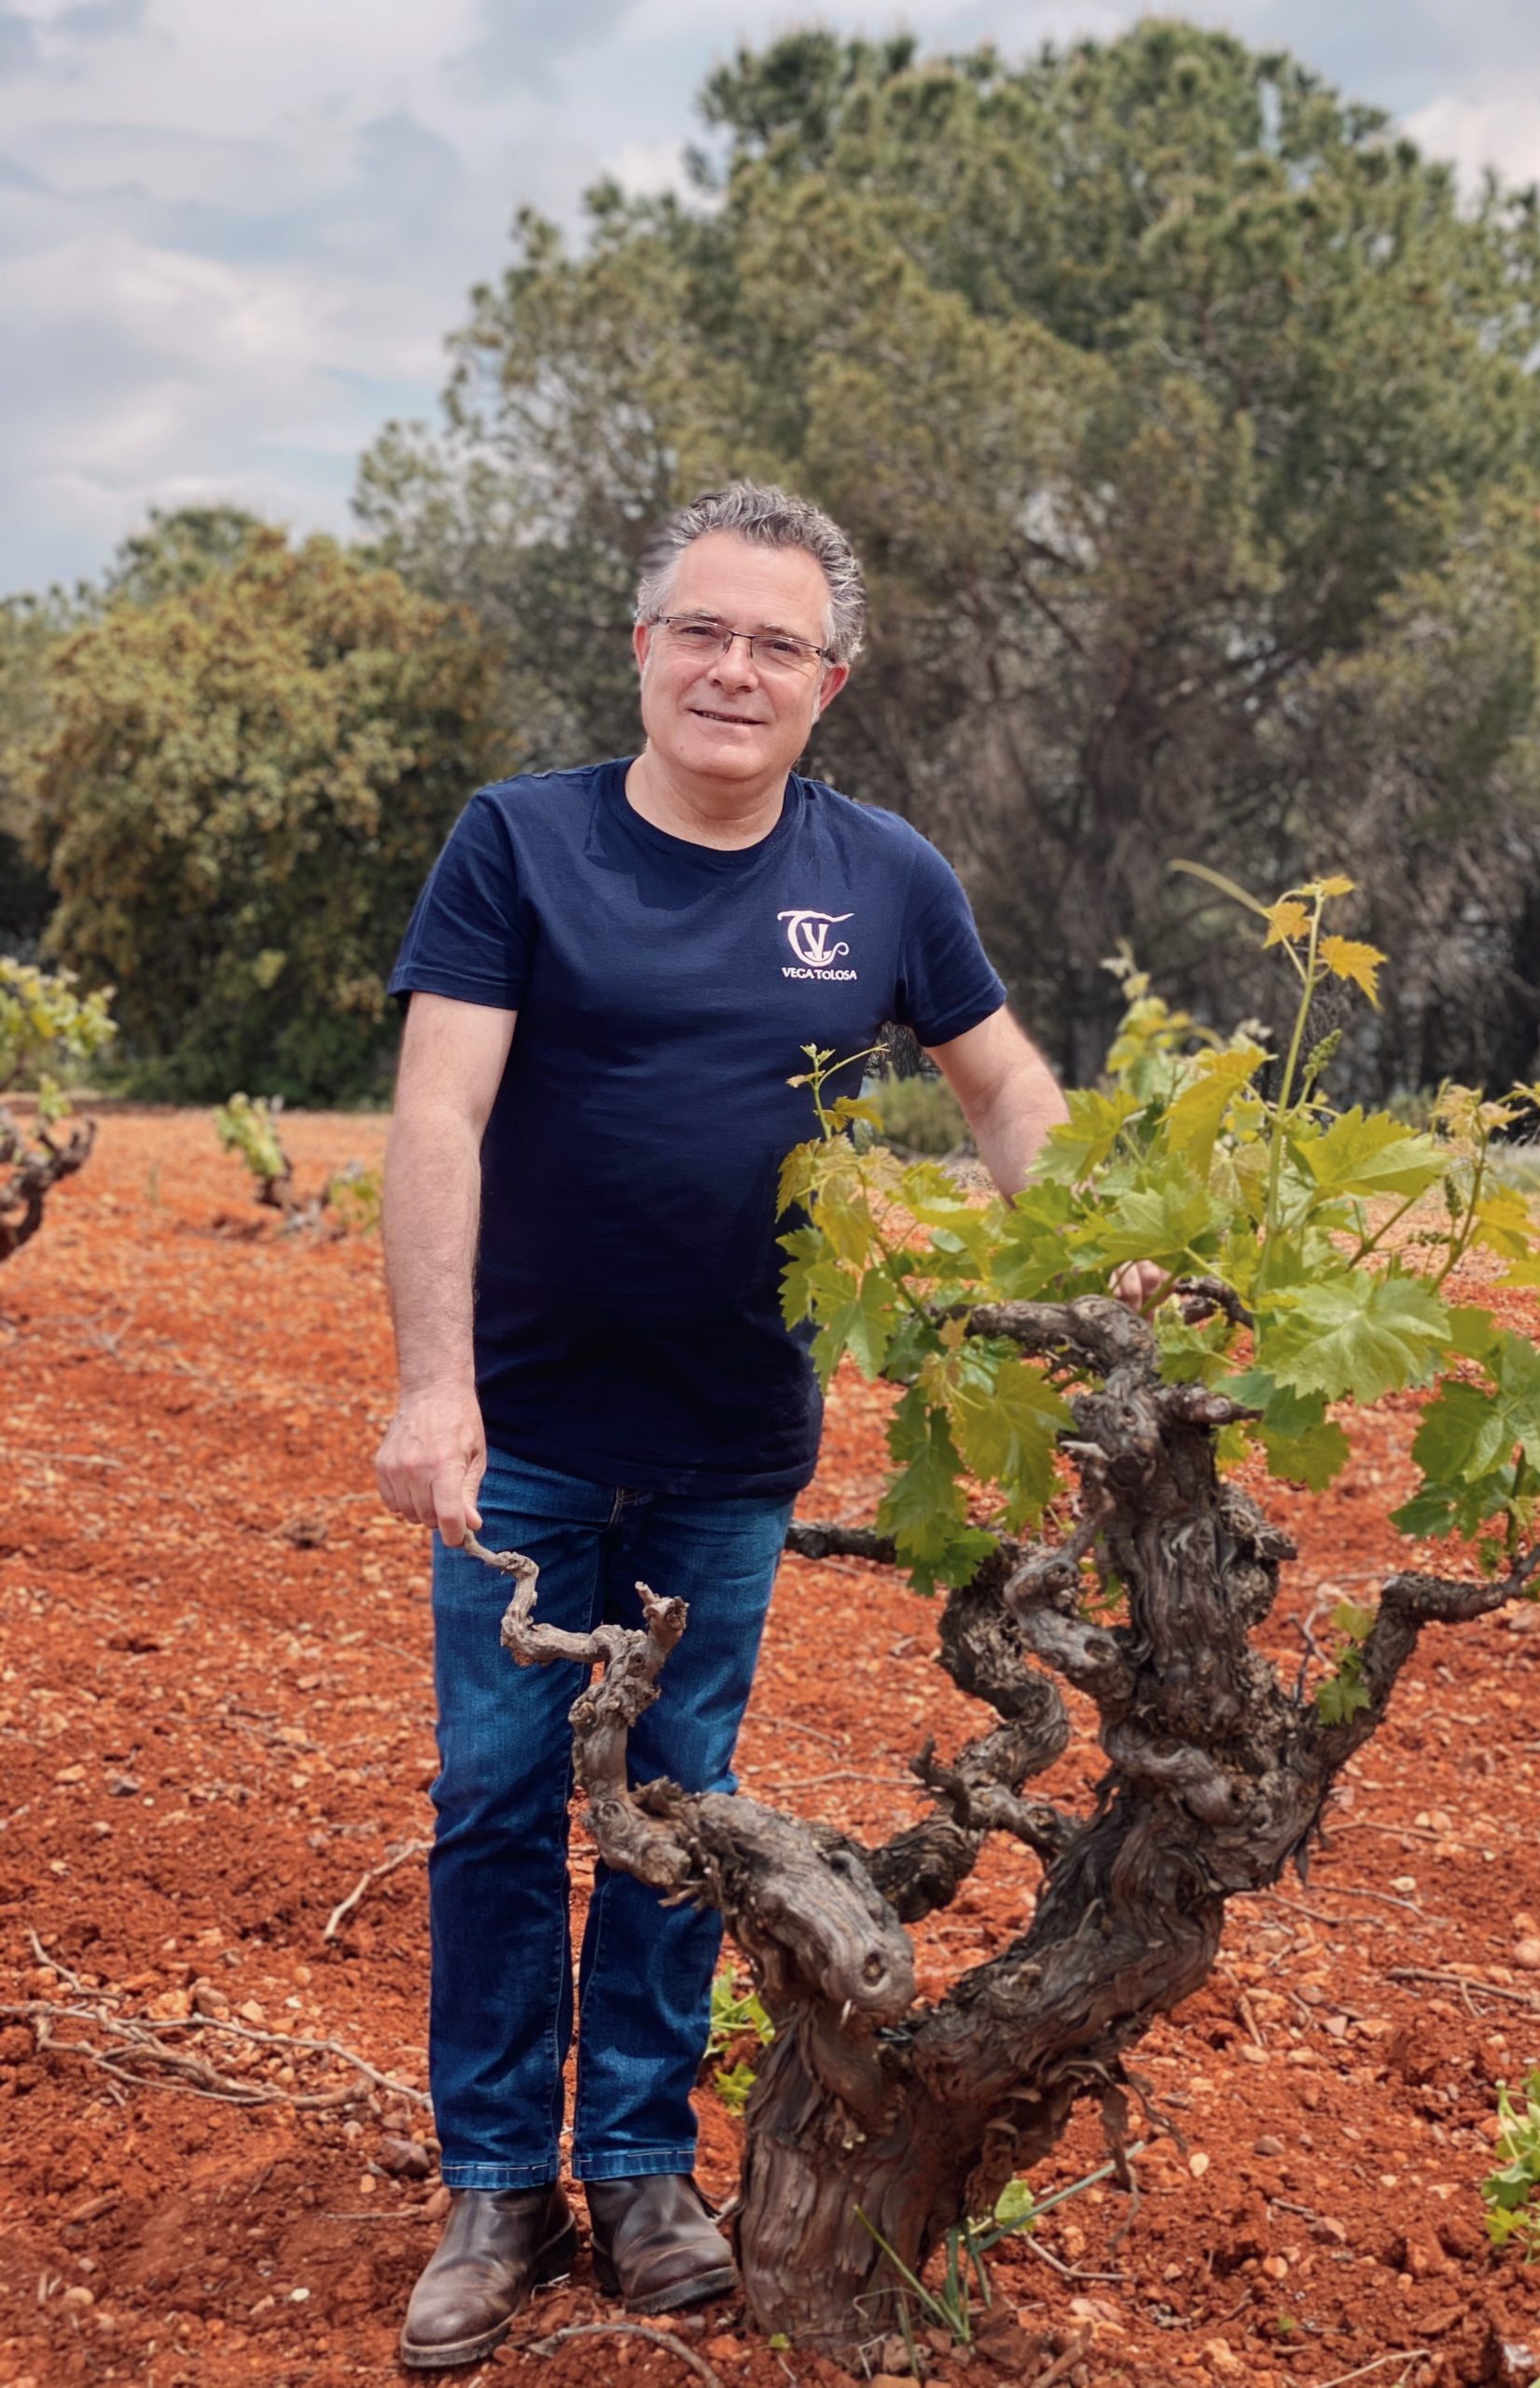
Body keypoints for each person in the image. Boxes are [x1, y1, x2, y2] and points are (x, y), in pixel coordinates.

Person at [373, 482, 1079, 2370]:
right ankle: (498, 2180)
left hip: (730, 1442)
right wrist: (433, 1384)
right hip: (523, 1428)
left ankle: (645, 2164)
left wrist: (1099, 1254)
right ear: (643, 646)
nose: (733, 667)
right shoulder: (518, 842)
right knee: (501, 1802)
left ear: (829, 681)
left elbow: (1005, 1085)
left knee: (681, 1816)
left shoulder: (886, 880)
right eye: (702, 628)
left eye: (775, 642)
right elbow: (438, 1112)